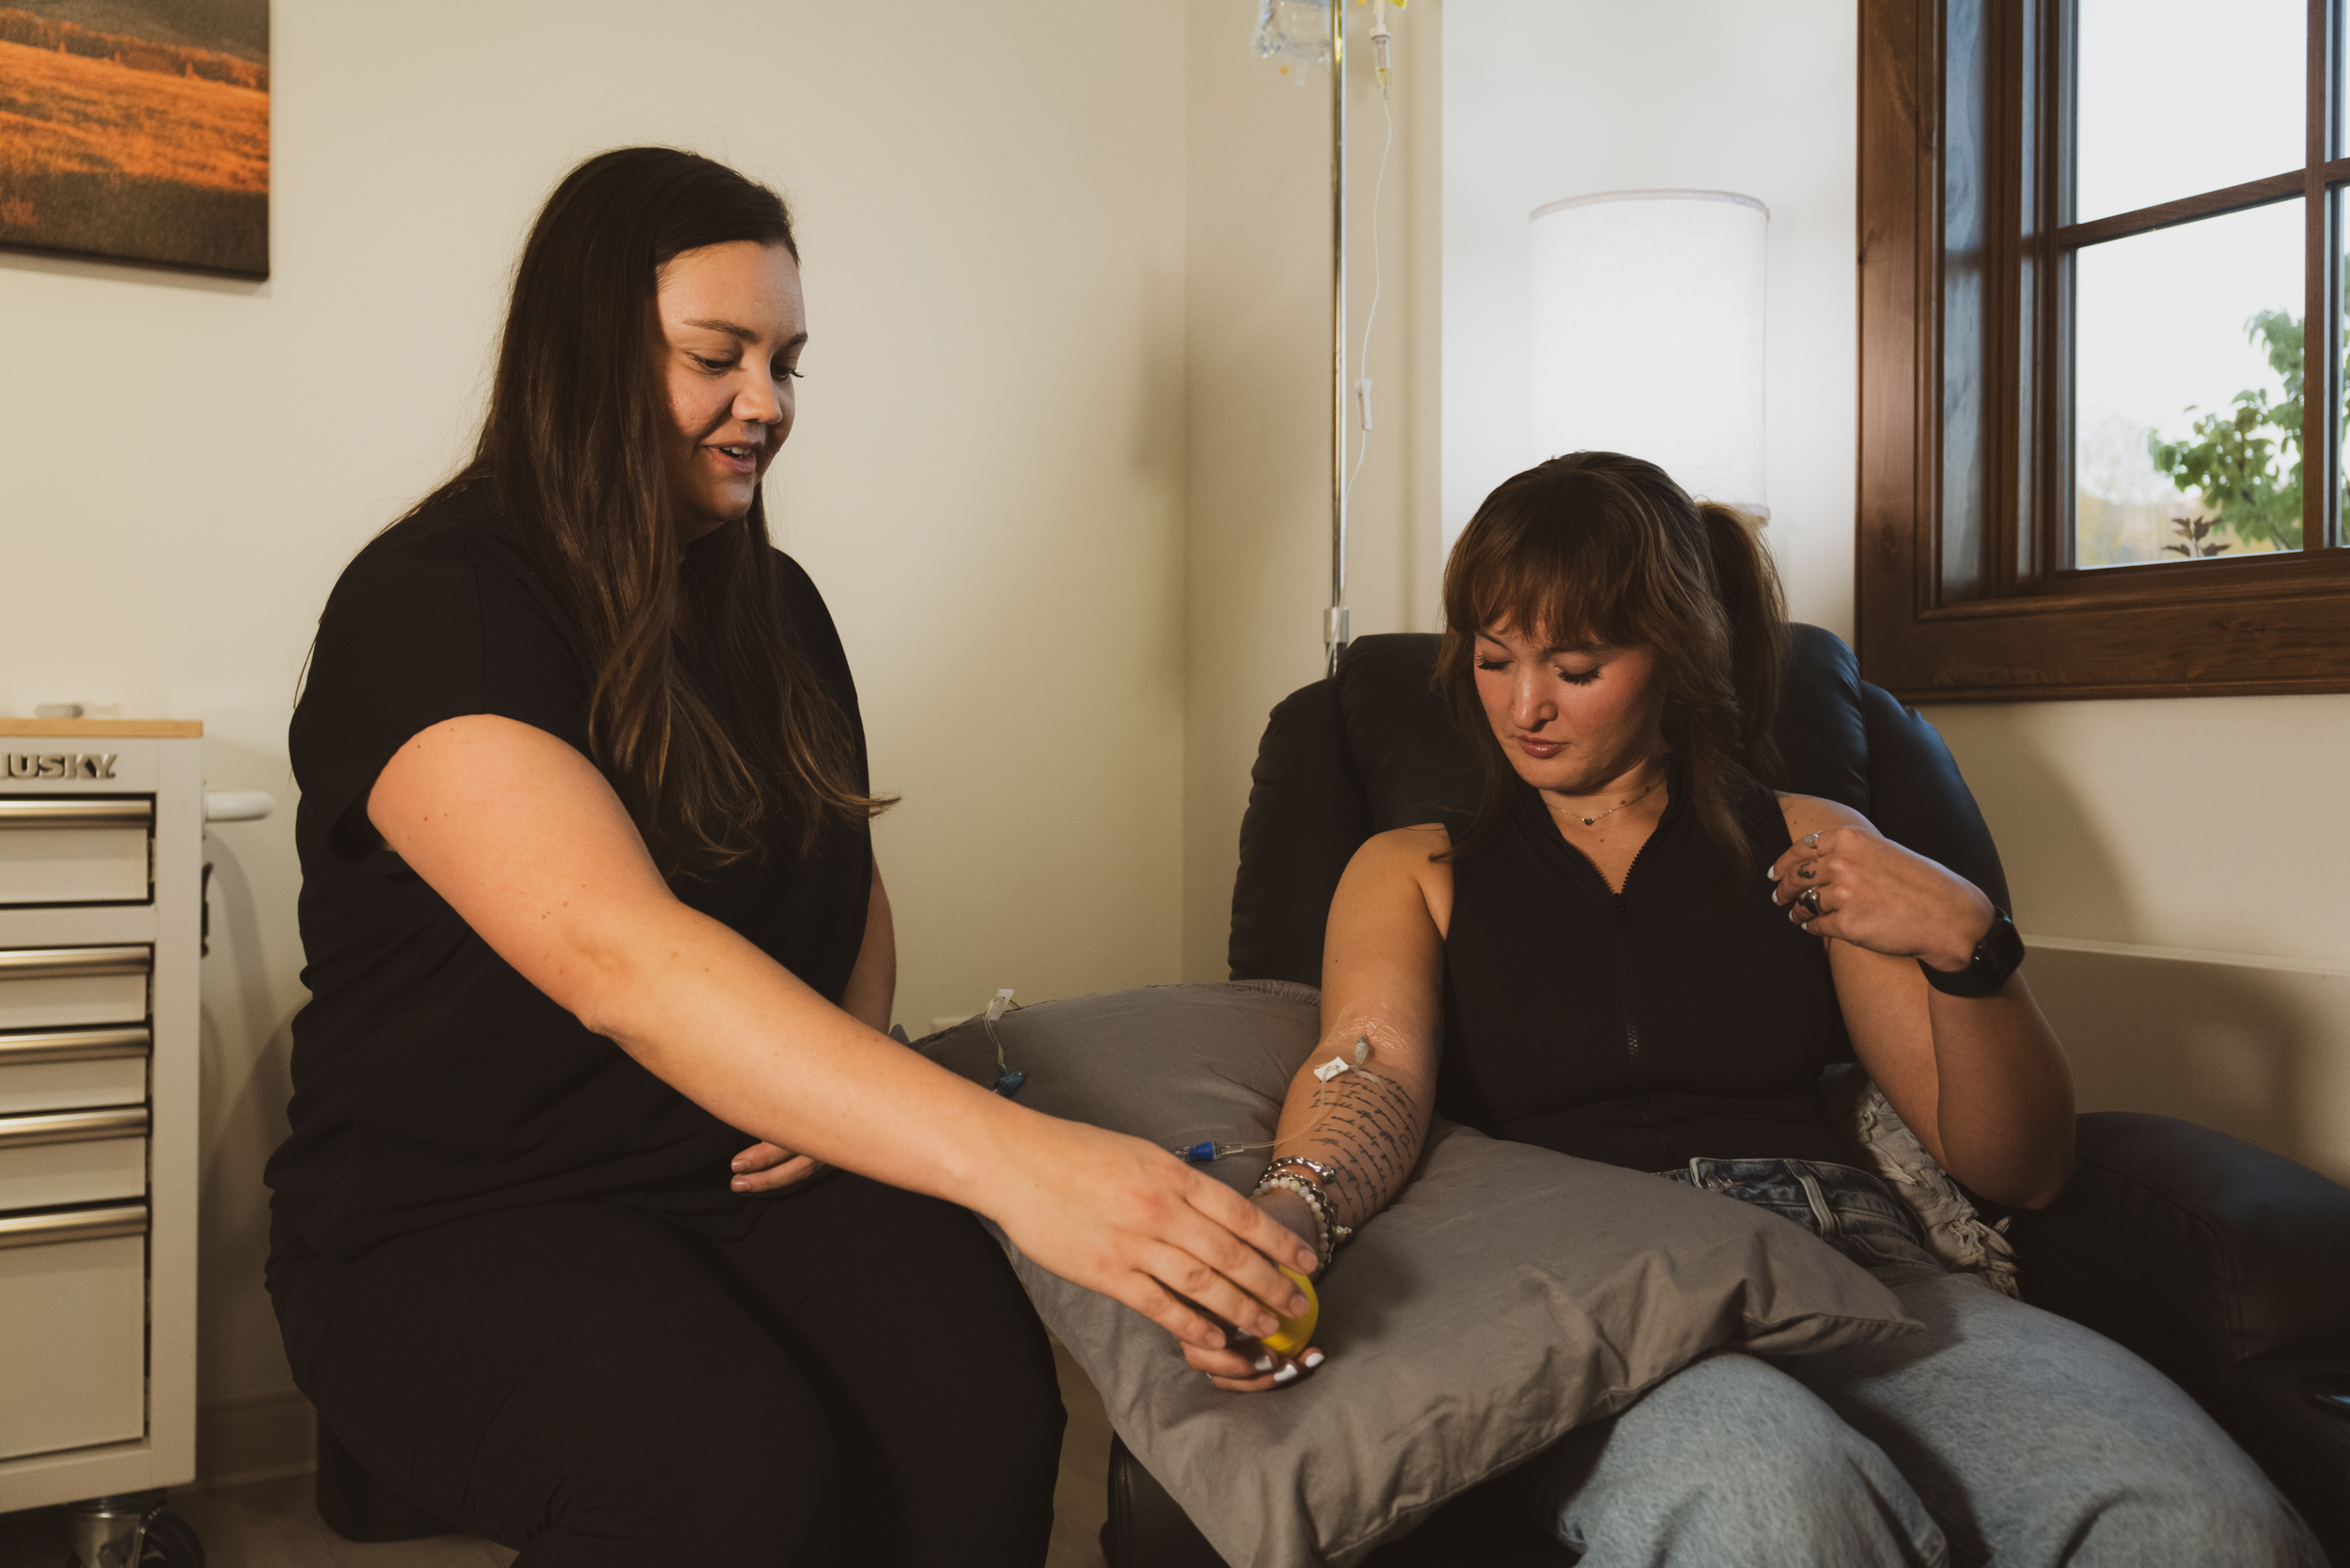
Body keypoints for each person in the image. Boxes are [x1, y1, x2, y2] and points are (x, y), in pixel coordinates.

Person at [263, 147, 1317, 1568]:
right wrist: (1030, 1169)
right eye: (719, 356)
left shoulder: (772, 602)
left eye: (787, 361)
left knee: (981, 1418)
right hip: (461, 1212)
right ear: (586, 356)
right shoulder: (432, 606)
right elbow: (624, 962)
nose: (766, 402)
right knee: (724, 1479)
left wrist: (840, 1066)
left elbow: (843, 888)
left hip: (742, 1175)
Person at [1192, 451, 2322, 1566]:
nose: (1523, 706)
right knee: (1772, 1502)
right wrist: (1293, 1217)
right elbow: (1368, 1069)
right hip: (1589, 1283)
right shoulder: (1417, 864)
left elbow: (2015, 1172)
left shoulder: (1813, 841)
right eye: (1494, 660)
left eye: (1575, 668)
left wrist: (1970, 946)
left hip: (1851, 1265)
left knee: (2200, 1522)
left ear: (1676, 657)